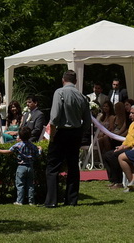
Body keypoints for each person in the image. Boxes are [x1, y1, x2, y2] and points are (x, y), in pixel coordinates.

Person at [45, 70, 91, 207]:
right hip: (75, 133)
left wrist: (52, 136)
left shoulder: (59, 92)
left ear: (62, 79)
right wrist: (79, 132)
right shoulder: (82, 96)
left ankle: (51, 200)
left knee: (52, 167)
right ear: (75, 81)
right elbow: (87, 122)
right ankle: (71, 200)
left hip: (61, 132)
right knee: (73, 166)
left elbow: (54, 118)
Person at [104, 104, 134, 188]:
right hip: (128, 147)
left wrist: (125, 147)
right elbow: (128, 138)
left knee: (114, 155)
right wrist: (122, 146)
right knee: (107, 155)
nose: (130, 115)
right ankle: (113, 180)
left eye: (132, 113)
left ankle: (119, 182)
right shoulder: (132, 124)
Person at [0, 126, 40, 205]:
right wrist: (41, 149)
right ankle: (31, 201)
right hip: (30, 166)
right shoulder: (33, 146)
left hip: (21, 167)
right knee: (30, 185)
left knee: (20, 184)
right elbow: (38, 154)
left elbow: (9, 151)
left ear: (20, 135)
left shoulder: (18, 145)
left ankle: (20, 201)